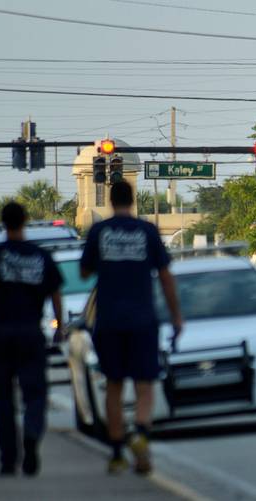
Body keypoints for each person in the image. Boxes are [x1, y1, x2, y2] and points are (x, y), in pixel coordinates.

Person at [79, 181, 182, 475]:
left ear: (110, 201)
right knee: (144, 384)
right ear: (133, 199)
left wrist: (106, 262)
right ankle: (140, 433)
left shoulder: (99, 232)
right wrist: (176, 316)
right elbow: (166, 277)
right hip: (142, 319)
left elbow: (84, 272)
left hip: (108, 319)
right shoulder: (147, 231)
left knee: (113, 385)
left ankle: (116, 453)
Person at [0, 202, 63, 476]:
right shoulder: (40, 256)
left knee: (4, 398)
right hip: (31, 333)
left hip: (1, 333)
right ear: (24, 221)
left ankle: (8, 459)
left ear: (3, 222)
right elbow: (56, 293)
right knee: (35, 393)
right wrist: (60, 327)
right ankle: (32, 434)